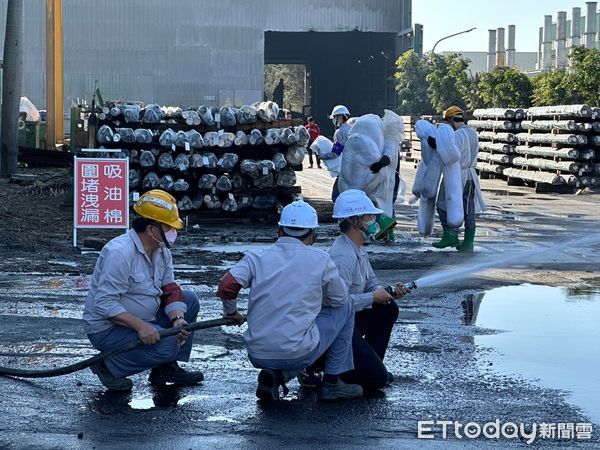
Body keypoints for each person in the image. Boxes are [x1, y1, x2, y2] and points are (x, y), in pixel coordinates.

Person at [217, 200, 363, 401]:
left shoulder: (256, 257)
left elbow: (227, 286)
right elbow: (339, 300)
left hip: (258, 352)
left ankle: (277, 376)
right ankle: (332, 381)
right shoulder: (321, 260)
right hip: (297, 352)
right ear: (313, 234)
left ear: (279, 230)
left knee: (297, 338)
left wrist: (231, 312)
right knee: (346, 308)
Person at [83, 190, 203, 391]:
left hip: (145, 316)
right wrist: (141, 327)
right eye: (169, 227)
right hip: (108, 328)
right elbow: (104, 304)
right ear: (151, 229)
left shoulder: (161, 250)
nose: (174, 232)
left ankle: (166, 368)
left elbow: (169, 287)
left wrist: (178, 319)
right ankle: (108, 365)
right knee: (168, 344)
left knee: (189, 300)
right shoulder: (120, 253)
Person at [299, 190, 409, 391]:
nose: (375, 220)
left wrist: (386, 292)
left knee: (388, 308)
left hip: (351, 319)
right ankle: (321, 363)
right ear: (355, 221)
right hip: (337, 325)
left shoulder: (358, 248)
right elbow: (337, 302)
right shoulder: (343, 256)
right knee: (376, 381)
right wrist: (372, 297)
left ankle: (371, 364)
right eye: (370, 216)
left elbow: (371, 283)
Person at [431, 106, 485, 252]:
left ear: (450, 121)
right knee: (469, 208)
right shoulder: (472, 132)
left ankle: (450, 235)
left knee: (442, 202)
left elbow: (451, 155)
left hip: (456, 175)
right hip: (471, 175)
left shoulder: (457, 135)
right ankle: (468, 242)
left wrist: (436, 145)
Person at [320, 105, 352, 201]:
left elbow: (336, 152)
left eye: (334, 117)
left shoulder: (340, 132)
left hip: (345, 169)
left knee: (336, 196)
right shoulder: (352, 129)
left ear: (340, 117)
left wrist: (322, 156)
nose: (333, 120)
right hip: (355, 167)